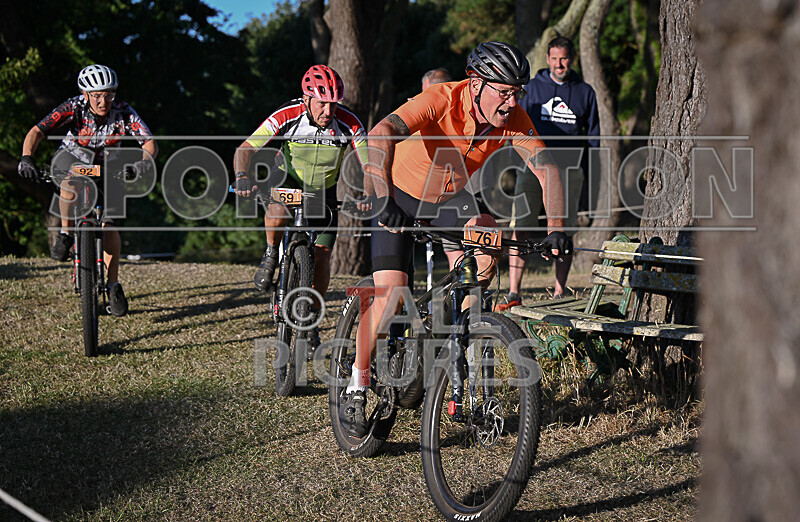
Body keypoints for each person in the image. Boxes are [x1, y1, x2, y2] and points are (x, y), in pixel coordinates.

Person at [339, 41, 572, 437]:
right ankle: (357, 382)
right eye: (503, 92)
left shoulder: (513, 117)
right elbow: (381, 134)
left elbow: (546, 167)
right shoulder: (442, 98)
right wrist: (382, 199)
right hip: (397, 195)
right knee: (391, 294)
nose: (510, 102)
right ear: (477, 83)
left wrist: (558, 227)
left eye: (517, 93)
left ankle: (454, 332)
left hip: (450, 200)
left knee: (489, 247)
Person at [233, 64, 369, 338]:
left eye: (333, 104)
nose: (328, 112)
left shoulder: (350, 123)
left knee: (322, 257)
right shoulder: (288, 114)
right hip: (289, 177)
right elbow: (246, 148)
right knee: (276, 206)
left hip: (324, 190)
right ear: (306, 98)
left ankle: (312, 318)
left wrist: (370, 193)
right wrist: (242, 176)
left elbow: (372, 165)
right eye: (321, 104)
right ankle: (272, 252)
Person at [17, 64, 157, 317]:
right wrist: (27, 157)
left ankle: (113, 284)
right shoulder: (73, 107)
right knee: (70, 182)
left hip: (109, 165)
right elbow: (37, 131)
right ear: (85, 94)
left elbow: (148, 142)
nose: (104, 101)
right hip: (74, 158)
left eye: (109, 94)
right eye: (97, 95)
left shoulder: (123, 112)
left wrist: (143, 162)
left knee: (110, 226)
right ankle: (65, 233)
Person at [496, 36, 599, 310]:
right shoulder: (532, 89)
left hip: (570, 166)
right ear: (548, 59)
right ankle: (514, 290)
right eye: (553, 58)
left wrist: (590, 172)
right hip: (531, 165)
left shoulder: (585, 92)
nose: (558, 64)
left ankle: (559, 290)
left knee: (563, 230)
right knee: (522, 227)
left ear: (571, 59)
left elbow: (593, 137)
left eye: (563, 58)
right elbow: (513, 126)